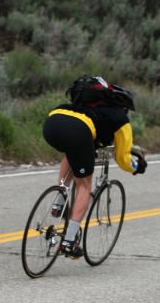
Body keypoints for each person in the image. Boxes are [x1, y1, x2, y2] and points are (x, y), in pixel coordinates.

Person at [42, 75, 147, 258]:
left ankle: (59, 201)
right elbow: (122, 158)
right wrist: (137, 167)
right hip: (78, 131)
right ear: (124, 106)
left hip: (53, 121)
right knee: (84, 186)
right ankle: (68, 242)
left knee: (72, 151)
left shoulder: (89, 106)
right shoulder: (120, 119)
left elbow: (91, 136)